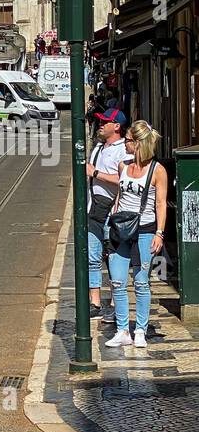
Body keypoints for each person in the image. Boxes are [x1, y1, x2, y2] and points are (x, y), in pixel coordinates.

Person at [105, 120, 168, 349]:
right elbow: (120, 195)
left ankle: (140, 329)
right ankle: (123, 330)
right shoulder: (123, 166)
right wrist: (110, 220)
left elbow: (160, 204)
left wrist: (159, 233)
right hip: (121, 229)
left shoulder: (157, 171)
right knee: (118, 280)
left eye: (129, 141)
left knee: (141, 282)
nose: (125, 144)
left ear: (139, 143)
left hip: (144, 230)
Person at [85, 107, 127, 322]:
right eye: (99, 121)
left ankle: (114, 302)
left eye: (105, 122)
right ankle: (94, 301)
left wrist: (96, 173)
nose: (100, 125)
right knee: (92, 258)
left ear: (116, 126)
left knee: (112, 257)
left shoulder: (124, 150)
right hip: (93, 209)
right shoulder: (98, 148)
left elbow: (124, 180)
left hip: (112, 211)